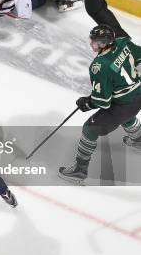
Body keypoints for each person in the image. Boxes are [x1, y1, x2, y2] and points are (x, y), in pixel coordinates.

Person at [59, 25, 141, 183]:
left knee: (89, 129)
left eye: (95, 41)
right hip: (138, 96)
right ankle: (138, 139)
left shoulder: (99, 66)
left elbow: (102, 101)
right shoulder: (123, 43)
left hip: (123, 105)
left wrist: (86, 103)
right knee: (126, 115)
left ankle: (79, 170)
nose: (91, 43)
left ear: (103, 43)